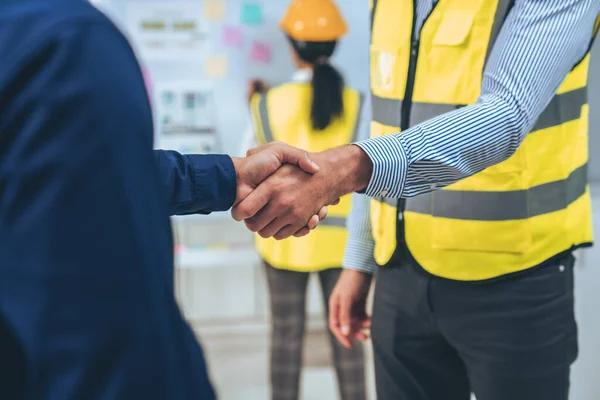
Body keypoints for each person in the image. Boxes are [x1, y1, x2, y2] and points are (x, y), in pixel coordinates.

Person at [232, 1, 600, 399]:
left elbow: (505, 114)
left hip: (513, 278)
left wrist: (346, 169)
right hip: (401, 272)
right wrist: (360, 258)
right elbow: (381, 116)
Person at [0, 0, 327, 398]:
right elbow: (107, 344)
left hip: (279, 245)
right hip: (324, 245)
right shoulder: (63, 46)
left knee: (286, 337)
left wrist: (226, 176)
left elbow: (98, 172)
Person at [242, 1, 367, 399]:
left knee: (286, 338)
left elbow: (246, 166)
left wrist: (256, 100)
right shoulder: (358, 102)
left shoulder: (265, 103)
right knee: (347, 334)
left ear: (292, 45)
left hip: (282, 239)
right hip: (342, 245)